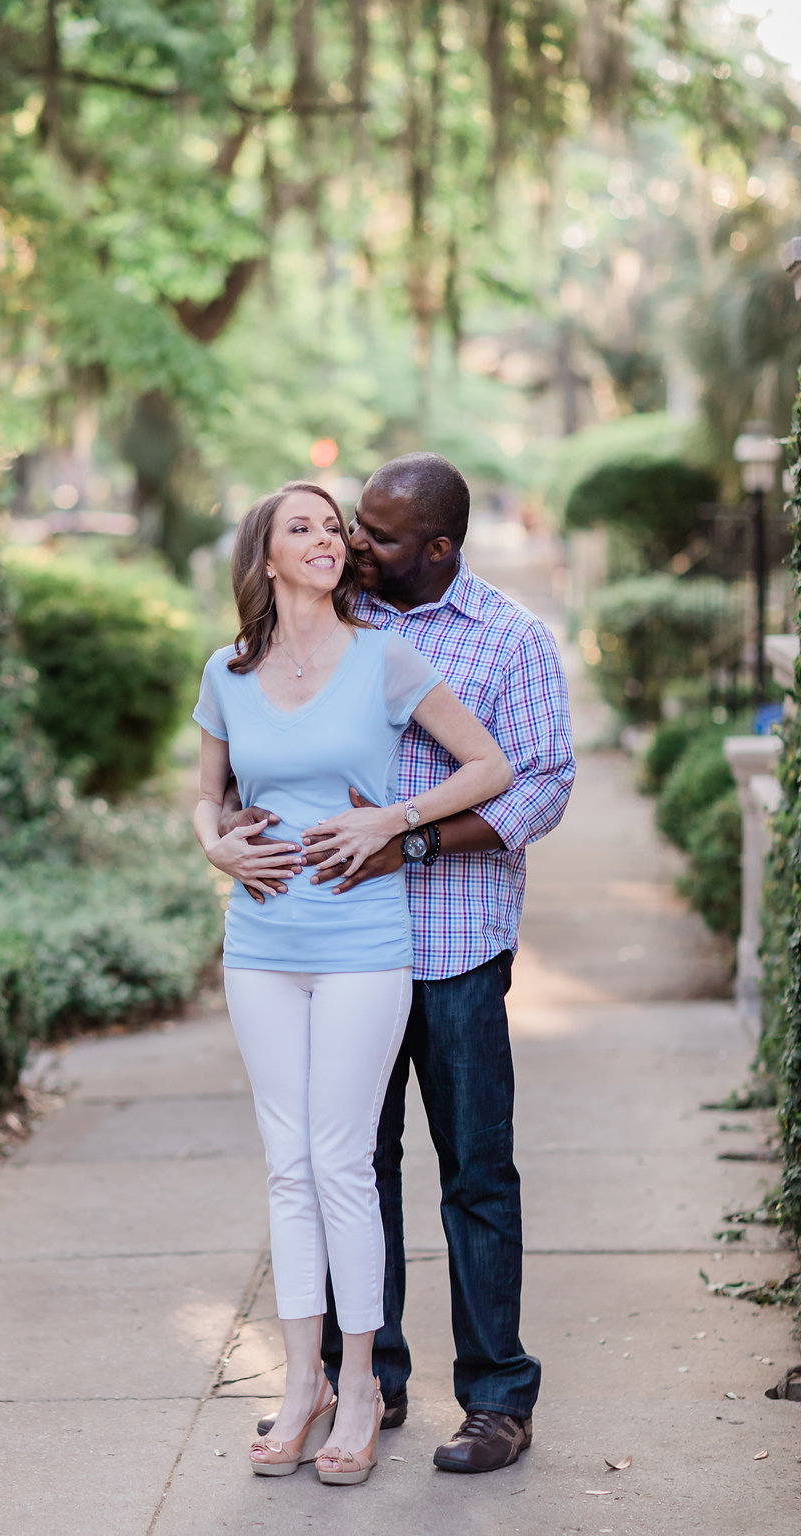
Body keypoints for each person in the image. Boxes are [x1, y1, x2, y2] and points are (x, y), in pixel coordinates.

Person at [242, 453, 575, 1474]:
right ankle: (369, 1378)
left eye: (379, 537)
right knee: (354, 1166)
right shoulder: (341, 622)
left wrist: (414, 840)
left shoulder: (508, 639)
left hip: (457, 945)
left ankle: (494, 1397)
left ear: (438, 548)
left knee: (475, 1172)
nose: (355, 548)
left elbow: (542, 787)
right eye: (352, 528)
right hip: (346, 947)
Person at [192, 480, 514, 1487]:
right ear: (267, 555)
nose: (330, 539)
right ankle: (303, 1384)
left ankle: (365, 1386)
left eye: (336, 528)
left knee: (339, 1163)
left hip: (363, 943)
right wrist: (218, 853)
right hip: (260, 947)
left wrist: (394, 820)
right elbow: (205, 801)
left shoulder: (384, 656)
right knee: (287, 1166)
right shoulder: (226, 673)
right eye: (307, 528)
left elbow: (490, 768)